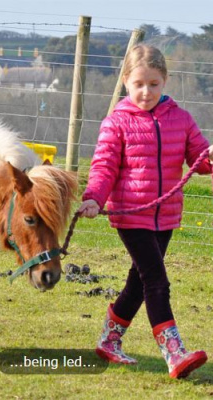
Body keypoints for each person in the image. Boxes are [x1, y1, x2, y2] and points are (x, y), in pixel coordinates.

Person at [79, 44, 212, 379]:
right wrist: (94, 197)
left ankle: (109, 341)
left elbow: (200, 159)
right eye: (139, 84)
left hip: (165, 215)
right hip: (131, 213)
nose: (146, 91)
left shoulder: (181, 119)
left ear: (165, 81)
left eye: (153, 84)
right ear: (126, 82)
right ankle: (174, 353)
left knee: (138, 283)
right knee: (156, 281)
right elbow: (104, 167)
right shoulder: (116, 123)